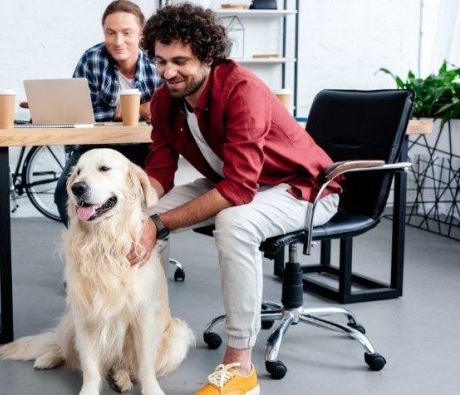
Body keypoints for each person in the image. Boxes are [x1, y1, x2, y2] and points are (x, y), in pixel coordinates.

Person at [135, 4, 342, 394]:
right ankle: (148, 335)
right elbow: (160, 172)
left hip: (303, 190)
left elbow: (238, 190)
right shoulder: (164, 100)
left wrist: (159, 224)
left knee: (234, 222)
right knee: (137, 213)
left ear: (208, 56)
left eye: (180, 61)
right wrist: (139, 208)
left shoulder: (241, 90)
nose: (168, 72)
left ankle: (240, 366)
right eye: (160, 61)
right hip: (241, 183)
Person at [53, 0, 162, 226]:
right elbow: (79, 113)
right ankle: (90, 250)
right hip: (95, 146)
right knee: (63, 195)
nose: (118, 41)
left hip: (146, 146)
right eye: (110, 33)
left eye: (127, 33)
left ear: (141, 35)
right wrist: (120, 111)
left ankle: (138, 248)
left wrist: (140, 109)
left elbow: (169, 110)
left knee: (143, 194)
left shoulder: (157, 63)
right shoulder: (92, 59)